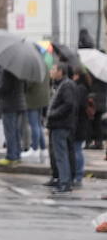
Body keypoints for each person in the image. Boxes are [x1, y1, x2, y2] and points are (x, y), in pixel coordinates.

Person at [46, 62, 80, 195]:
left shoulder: (66, 85)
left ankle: (65, 183)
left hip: (61, 124)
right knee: (60, 154)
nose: (51, 71)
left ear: (61, 71)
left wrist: (53, 114)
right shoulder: (61, 84)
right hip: (59, 124)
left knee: (61, 155)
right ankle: (63, 180)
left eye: (54, 69)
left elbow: (68, 104)